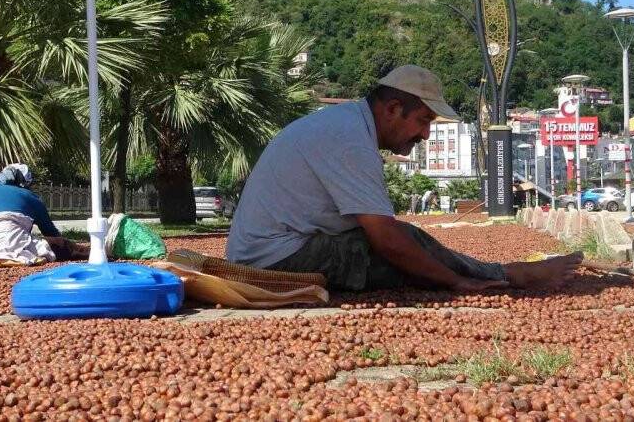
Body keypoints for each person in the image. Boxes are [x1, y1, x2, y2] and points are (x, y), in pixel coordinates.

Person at [226, 65, 582, 292]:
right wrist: (454, 280)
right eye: (423, 121)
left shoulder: (346, 126)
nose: (426, 135)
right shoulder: (348, 140)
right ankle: (508, 275)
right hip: (272, 261)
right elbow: (386, 239)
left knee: (409, 245)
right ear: (394, 109)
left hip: (268, 250)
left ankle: (500, 272)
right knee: (406, 248)